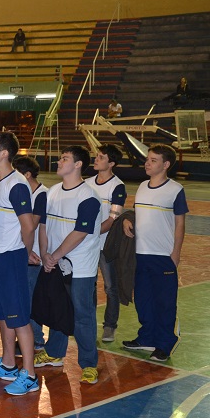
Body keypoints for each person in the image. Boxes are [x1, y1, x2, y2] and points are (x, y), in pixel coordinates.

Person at [34, 146, 102, 385]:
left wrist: (56, 254)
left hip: (80, 267)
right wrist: (45, 254)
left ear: (78, 165)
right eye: (60, 157)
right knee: (57, 309)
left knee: (82, 314)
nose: (59, 161)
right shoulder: (52, 192)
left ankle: (89, 363)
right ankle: (54, 353)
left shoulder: (89, 197)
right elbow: (43, 226)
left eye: (64, 158)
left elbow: (81, 232)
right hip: (53, 262)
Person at [0, 132, 39, 396]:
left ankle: (30, 373)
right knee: (4, 314)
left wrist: (24, 253)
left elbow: (28, 226)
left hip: (10, 257)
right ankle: (7, 364)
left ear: (4, 153)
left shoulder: (16, 184)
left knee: (19, 317)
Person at [122, 145, 188, 362]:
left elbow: (180, 224)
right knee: (143, 299)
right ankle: (146, 337)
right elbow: (138, 213)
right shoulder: (141, 186)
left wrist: (175, 253)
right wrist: (128, 220)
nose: (147, 163)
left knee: (165, 302)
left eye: (153, 160)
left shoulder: (175, 189)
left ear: (165, 164)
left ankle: (165, 343)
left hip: (163, 256)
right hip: (140, 254)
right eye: (147, 159)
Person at [87, 144, 127, 342]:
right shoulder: (86, 183)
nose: (96, 159)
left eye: (101, 157)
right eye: (97, 156)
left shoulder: (117, 186)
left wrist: (91, 233)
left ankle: (110, 326)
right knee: (88, 285)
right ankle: (88, 324)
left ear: (111, 163)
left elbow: (113, 219)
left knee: (111, 288)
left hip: (106, 245)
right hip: (87, 245)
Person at [13, 155, 48, 351]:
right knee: (23, 297)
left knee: (31, 298)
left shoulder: (41, 194)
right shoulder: (25, 192)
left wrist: (27, 251)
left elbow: (32, 225)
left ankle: (37, 339)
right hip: (21, 252)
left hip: (32, 255)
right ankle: (28, 338)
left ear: (27, 174)